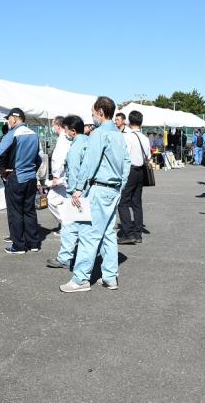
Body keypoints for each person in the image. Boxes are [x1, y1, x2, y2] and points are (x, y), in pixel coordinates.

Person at [61, 96, 130, 292]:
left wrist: (78, 188)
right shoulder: (118, 134)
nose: (92, 116)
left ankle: (81, 279)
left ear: (101, 112)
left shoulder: (99, 134)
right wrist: (121, 185)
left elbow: (89, 163)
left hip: (99, 188)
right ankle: (110, 276)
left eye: (93, 112)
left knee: (88, 234)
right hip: (114, 188)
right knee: (108, 234)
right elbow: (127, 162)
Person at [0, 108, 42, 254]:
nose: (8, 121)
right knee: (29, 210)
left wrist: (3, 171)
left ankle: (19, 245)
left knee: (15, 212)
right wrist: (32, 170)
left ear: (14, 119)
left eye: (8, 119)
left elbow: (0, 153)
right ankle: (33, 243)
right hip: (30, 178)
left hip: (16, 176)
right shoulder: (34, 134)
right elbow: (39, 158)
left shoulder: (12, 134)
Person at [46, 115, 89, 269]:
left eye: (65, 129)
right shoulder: (87, 142)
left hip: (75, 190)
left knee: (70, 226)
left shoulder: (75, 146)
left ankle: (66, 258)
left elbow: (76, 171)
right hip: (84, 189)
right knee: (84, 227)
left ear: (71, 130)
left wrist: (74, 188)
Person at [117, 110, 151, 245]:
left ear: (129, 122)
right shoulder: (145, 138)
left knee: (123, 202)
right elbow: (148, 157)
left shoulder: (127, 137)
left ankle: (128, 233)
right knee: (137, 203)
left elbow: (123, 156)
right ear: (141, 122)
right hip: (141, 171)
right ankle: (137, 233)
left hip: (129, 171)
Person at [47, 116, 71, 229]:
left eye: (53, 125)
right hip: (64, 176)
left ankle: (67, 224)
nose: (53, 128)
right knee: (64, 201)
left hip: (61, 177)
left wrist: (56, 176)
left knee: (51, 200)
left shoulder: (63, 140)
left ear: (58, 126)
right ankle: (67, 225)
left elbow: (60, 160)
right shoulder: (66, 138)